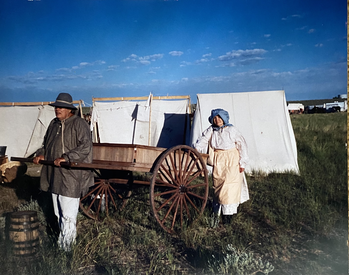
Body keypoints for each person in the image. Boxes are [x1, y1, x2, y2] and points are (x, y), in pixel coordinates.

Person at [33, 93, 94, 251]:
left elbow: (85, 147)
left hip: (71, 176)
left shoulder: (79, 124)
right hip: (55, 175)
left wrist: (67, 157)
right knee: (58, 213)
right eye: (56, 107)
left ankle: (67, 250)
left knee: (68, 214)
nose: (57, 109)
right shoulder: (54, 124)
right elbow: (47, 144)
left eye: (61, 107)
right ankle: (63, 245)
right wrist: (41, 154)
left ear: (69, 109)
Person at [193, 108, 249, 224]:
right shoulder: (212, 130)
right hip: (219, 160)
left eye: (219, 117)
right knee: (218, 186)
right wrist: (197, 148)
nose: (217, 120)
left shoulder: (232, 130)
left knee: (229, 188)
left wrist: (242, 162)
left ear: (224, 119)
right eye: (215, 118)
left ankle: (227, 218)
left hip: (232, 160)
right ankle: (217, 213)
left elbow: (242, 145)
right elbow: (203, 139)